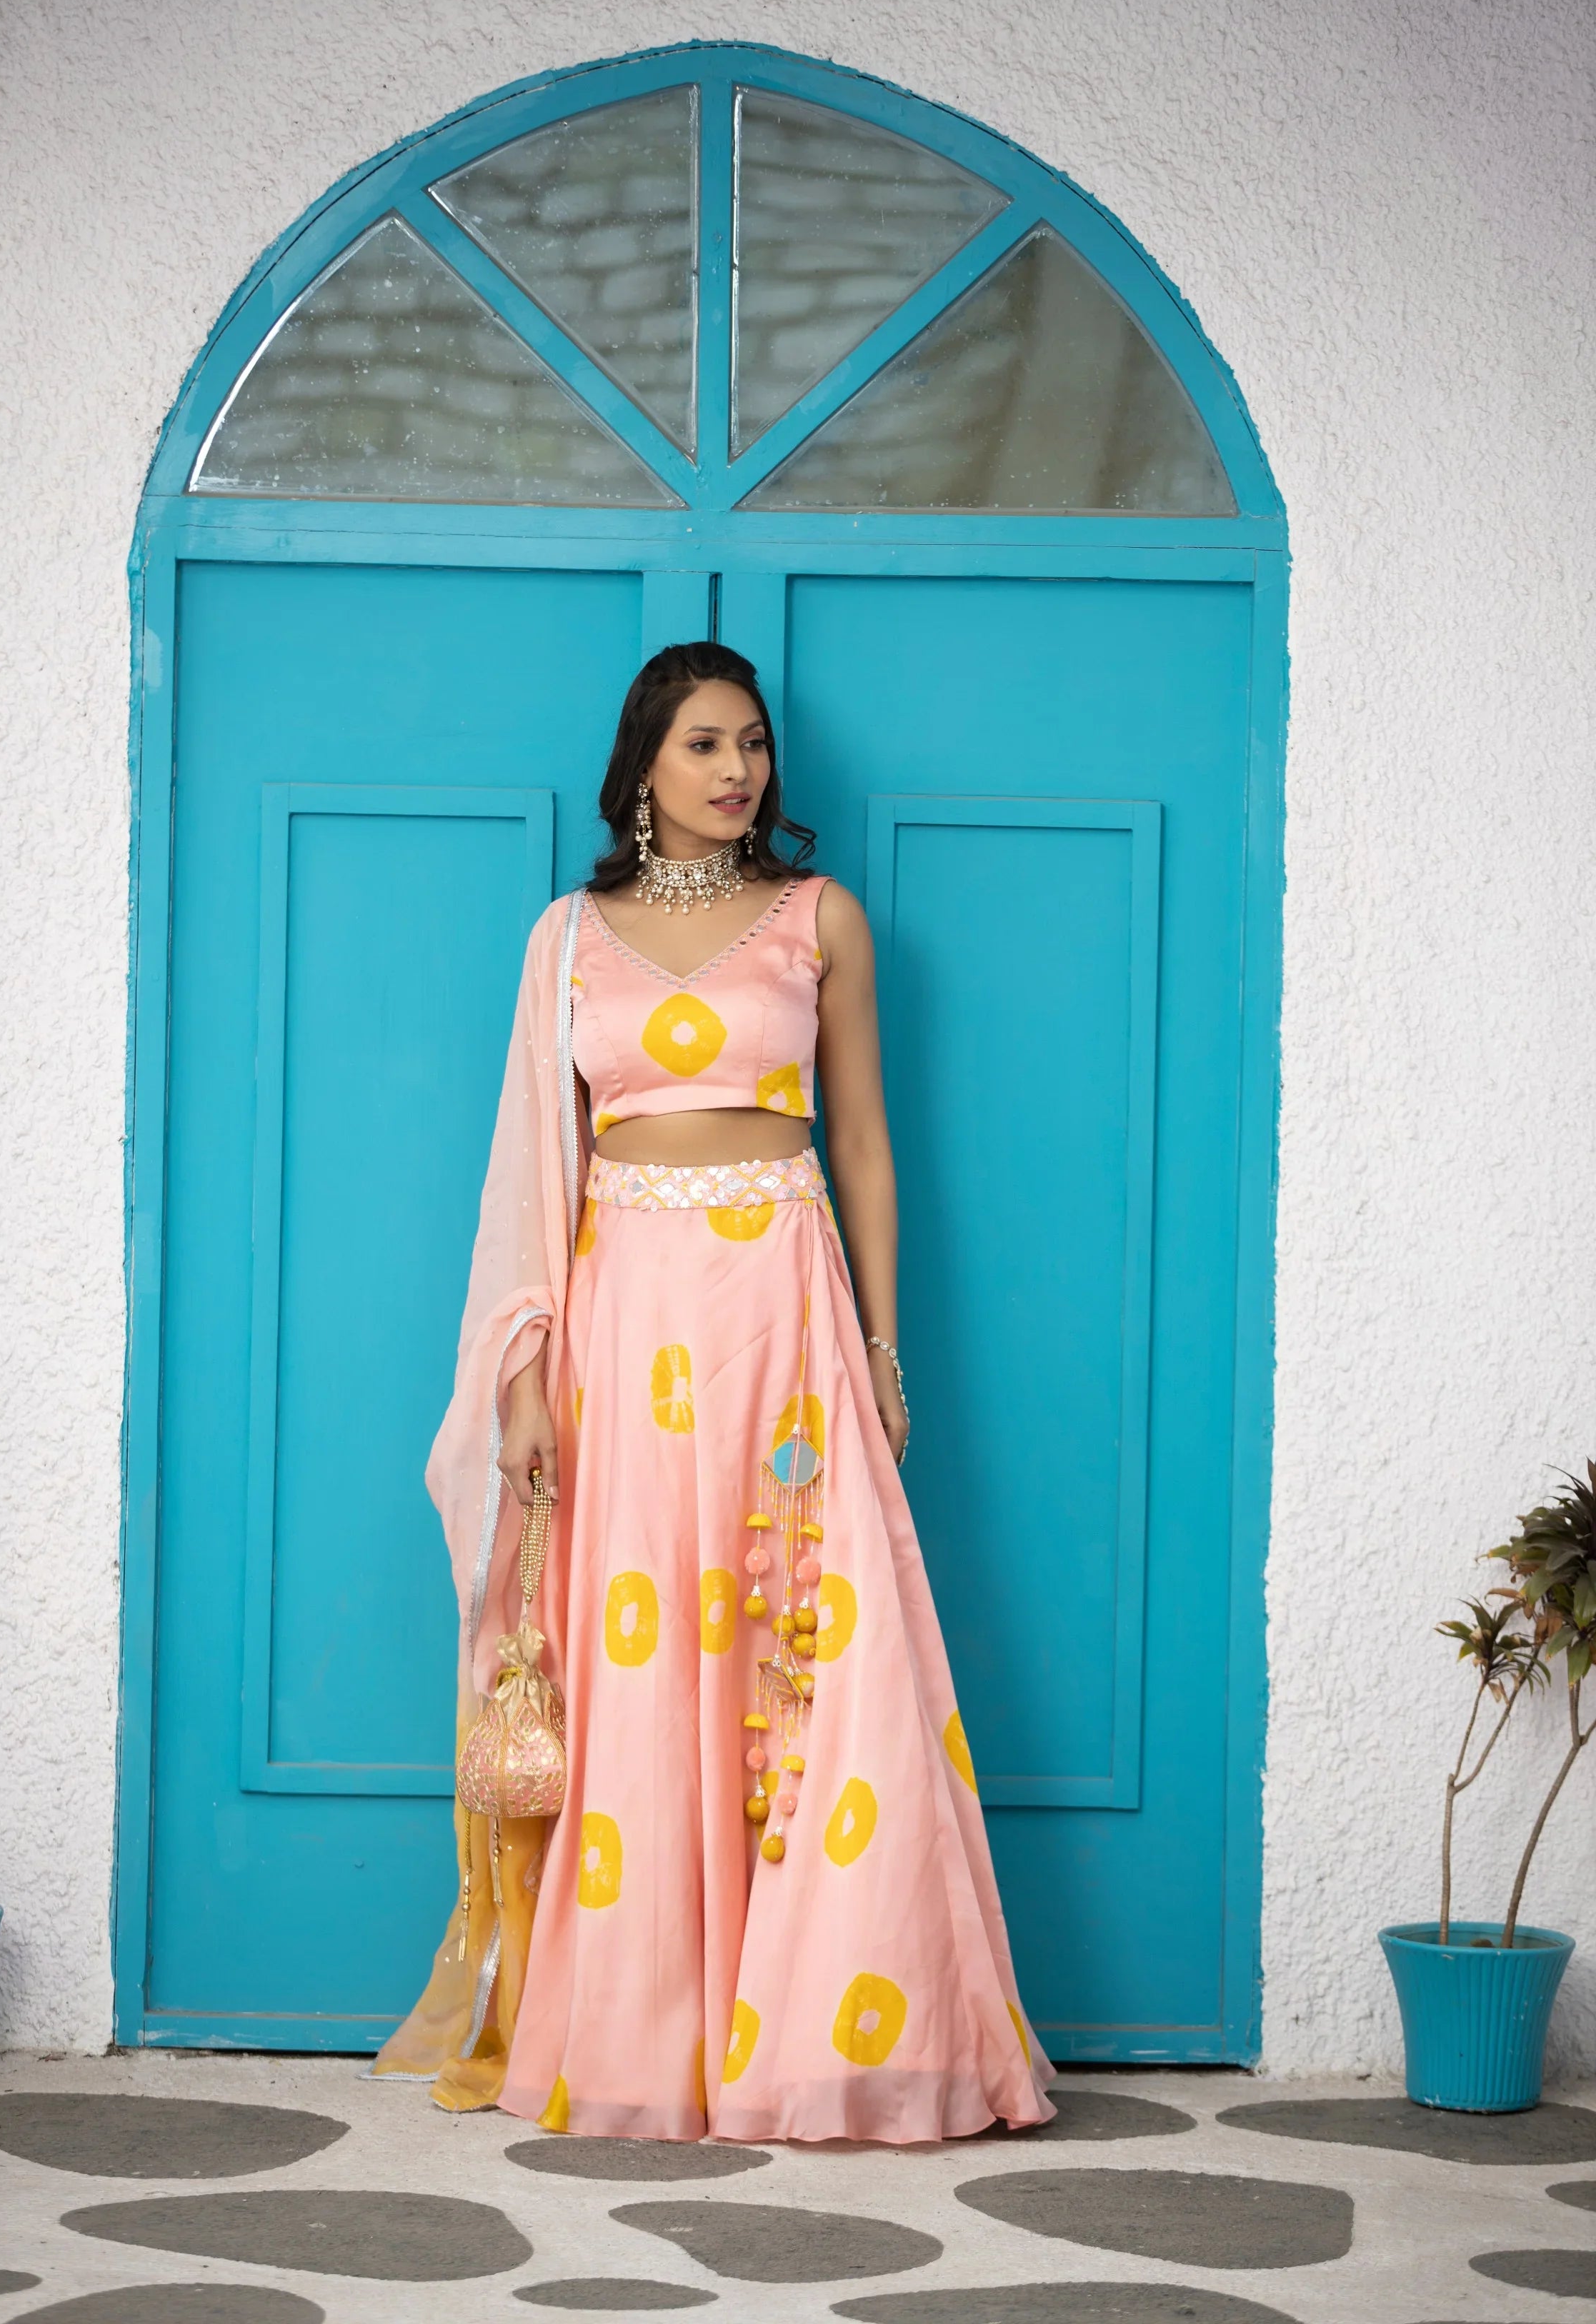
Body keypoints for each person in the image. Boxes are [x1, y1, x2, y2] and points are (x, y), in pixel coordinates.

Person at [376, 641, 1054, 2141]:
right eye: (704, 745)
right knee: (650, 1657)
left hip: (784, 1312)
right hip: (625, 1324)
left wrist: (882, 1351)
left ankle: (833, 2037)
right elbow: (528, 1173)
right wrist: (526, 1374)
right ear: (643, 766)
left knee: (815, 1649)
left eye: (751, 743)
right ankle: (648, 2041)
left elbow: (865, 1144)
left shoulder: (819, 922)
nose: (738, 770)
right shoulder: (570, 937)